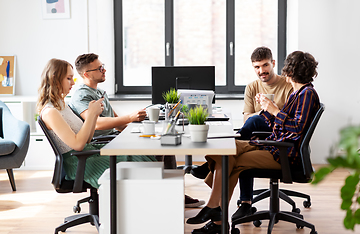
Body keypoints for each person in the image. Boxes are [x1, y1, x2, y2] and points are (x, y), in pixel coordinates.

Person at [186, 51, 320, 234]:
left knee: (232, 159)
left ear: (289, 72)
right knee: (228, 149)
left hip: (283, 153)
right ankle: (214, 211)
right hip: (275, 144)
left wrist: (273, 110)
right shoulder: (297, 94)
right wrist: (266, 109)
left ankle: (216, 215)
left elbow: (296, 128)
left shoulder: (306, 94)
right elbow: (279, 124)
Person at [70, 53, 204, 207]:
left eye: (103, 66)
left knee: (164, 142)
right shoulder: (82, 95)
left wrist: (141, 131)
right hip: (101, 143)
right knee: (156, 149)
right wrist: (130, 118)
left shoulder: (99, 92)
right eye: (100, 68)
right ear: (86, 74)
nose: (104, 70)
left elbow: (118, 124)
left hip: (113, 138)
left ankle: (174, 193)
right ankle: (160, 196)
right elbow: (97, 123)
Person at [37, 58, 157, 189]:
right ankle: (159, 198)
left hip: (87, 154)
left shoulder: (62, 105)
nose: (72, 83)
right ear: (54, 78)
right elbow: (78, 145)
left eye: (73, 78)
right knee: (136, 158)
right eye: (69, 78)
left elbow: (86, 140)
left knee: (140, 153)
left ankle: (162, 197)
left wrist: (93, 116)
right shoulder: (50, 112)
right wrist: (91, 115)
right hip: (78, 163)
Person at [190, 46, 293, 180]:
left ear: (273, 63)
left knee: (254, 122)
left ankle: (212, 163)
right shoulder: (252, 87)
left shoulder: (288, 86)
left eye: (265, 65)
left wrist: (270, 109)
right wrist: (263, 111)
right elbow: (246, 118)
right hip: (255, 135)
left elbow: (290, 121)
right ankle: (245, 201)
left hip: (278, 134)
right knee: (251, 128)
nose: (261, 71)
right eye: (257, 67)